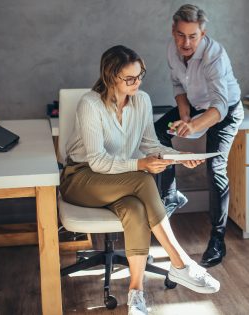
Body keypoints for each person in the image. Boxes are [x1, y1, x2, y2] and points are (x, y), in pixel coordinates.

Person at [60, 45, 220, 315]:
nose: (137, 83)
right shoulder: (90, 104)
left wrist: (179, 156)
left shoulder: (142, 100)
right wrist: (140, 165)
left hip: (117, 180)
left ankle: (136, 295)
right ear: (111, 77)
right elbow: (97, 161)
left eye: (140, 75)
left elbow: (150, 144)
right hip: (81, 178)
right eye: (130, 78)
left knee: (135, 209)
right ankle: (180, 261)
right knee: (144, 179)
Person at [154, 4, 244, 268]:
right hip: (196, 105)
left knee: (215, 169)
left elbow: (220, 107)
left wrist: (193, 127)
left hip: (224, 112)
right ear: (173, 30)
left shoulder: (215, 56)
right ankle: (170, 194)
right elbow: (177, 83)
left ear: (203, 34)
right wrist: (183, 109)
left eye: (193, 36)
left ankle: (217, 241)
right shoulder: (173, 49)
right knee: (158, 132)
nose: (186, 42)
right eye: (181, 35)